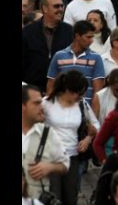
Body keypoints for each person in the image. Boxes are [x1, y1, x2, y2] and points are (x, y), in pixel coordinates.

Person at [43, 70, 99, 205]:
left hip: (73, 157)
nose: (79, 96)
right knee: (54, 196)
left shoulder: (81, 104)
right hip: (51, 157)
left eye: (82, 94)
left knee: (71, 196)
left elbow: (96, 124)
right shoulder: (47, 103)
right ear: (67, 89)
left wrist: (88, 139)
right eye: (77, 93)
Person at [22, 84, 70, 199]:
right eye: (36, 103)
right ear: (23, 106)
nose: (42, 107)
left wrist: (50, 167)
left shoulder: (49, 134)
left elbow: (65, 164)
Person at [22, 0, 74, 91]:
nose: (60, 9)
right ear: (45, 9)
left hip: (61, 90)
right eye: (56, 6)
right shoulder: (27, 32)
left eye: (62, 6)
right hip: (33, 89)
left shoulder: (70, 31)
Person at [46, 19, 105, 101]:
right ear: (77, 36)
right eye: (88, 37)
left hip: (85, 109)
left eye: (92, 37)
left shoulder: (96, 58)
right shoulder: (58, 56)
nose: (91, 41)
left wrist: (92, 112)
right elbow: (51, 86)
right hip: (61, 108)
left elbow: (98, 92)